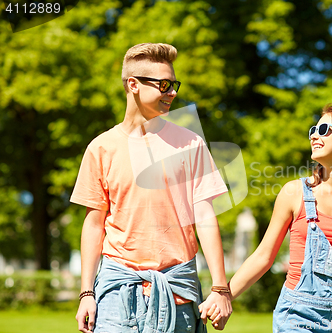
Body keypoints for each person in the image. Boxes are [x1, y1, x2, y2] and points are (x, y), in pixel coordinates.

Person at [72, 43, 232, 333]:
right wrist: (86, 293)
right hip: (116, 295)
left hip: (178, 293)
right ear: (133, 84)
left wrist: (220, 288)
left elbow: (205, 217)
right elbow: (94, 225)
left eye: (174, 85)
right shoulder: (101, 148)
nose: (172, 92)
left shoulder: (190, 143)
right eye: (164, 85)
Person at [203, 104, 332, 332]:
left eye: (323, 130)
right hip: (296, 317)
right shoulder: (295, 193)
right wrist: (223, 295)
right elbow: (264, 256)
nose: (313, 135)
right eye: (313, 130)